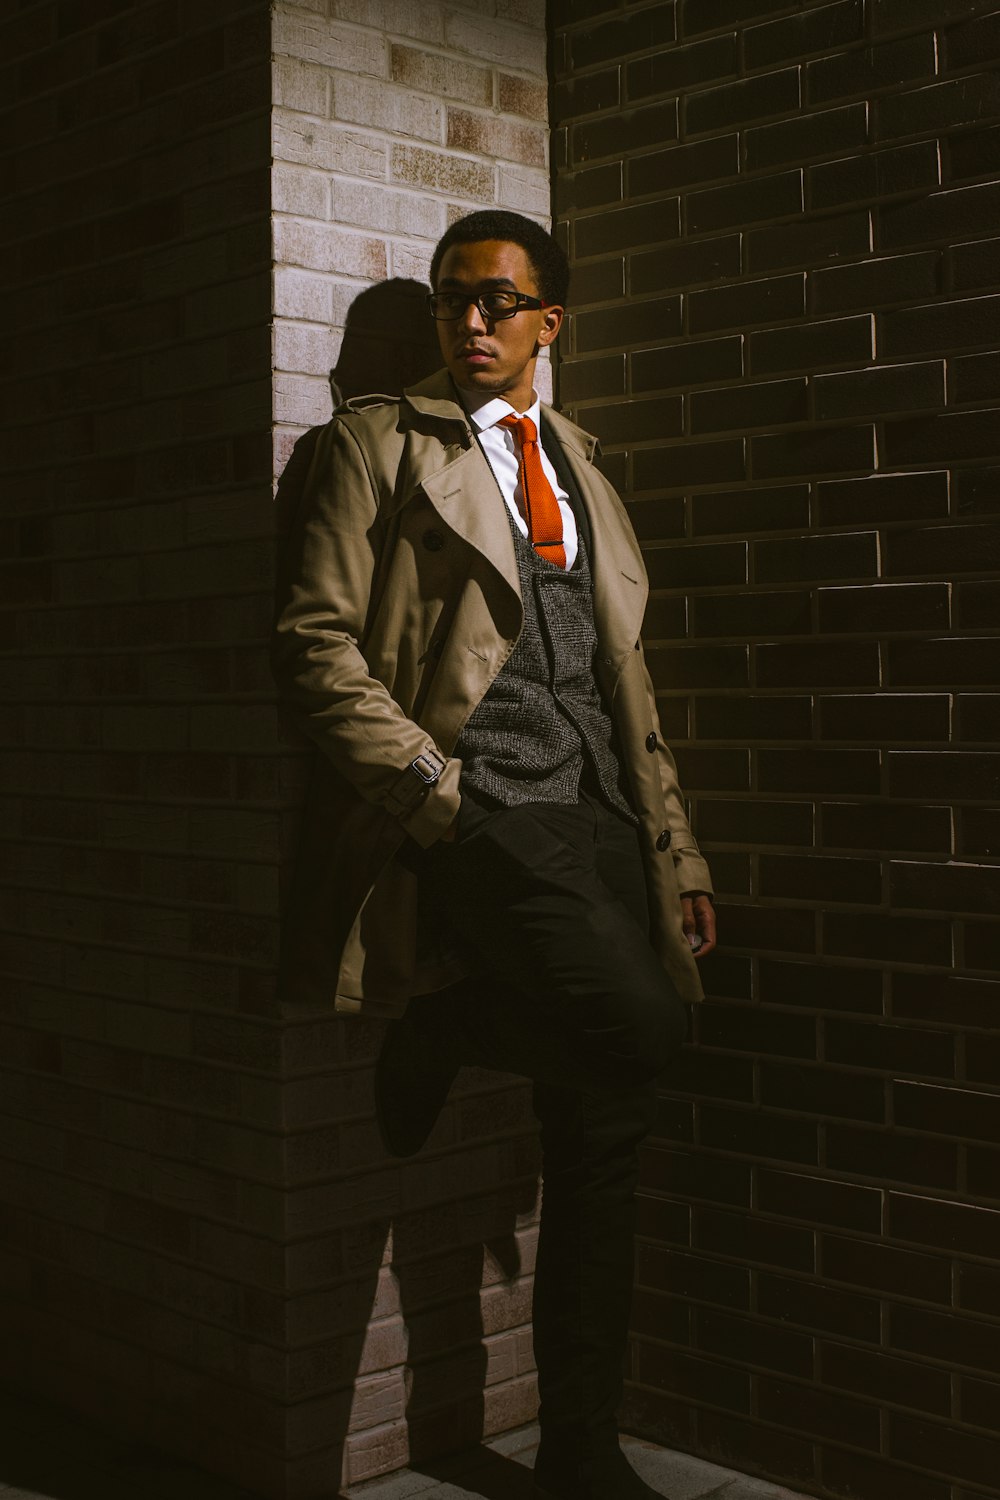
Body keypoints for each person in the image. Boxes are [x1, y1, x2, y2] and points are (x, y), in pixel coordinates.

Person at [272, 210, 716, 1500]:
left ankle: (580, 1444)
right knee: (640, 1026)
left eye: (498, 303)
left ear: (546, 323)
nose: (471, 322)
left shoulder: (580, 458)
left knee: (604, 1129)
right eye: (452, 299)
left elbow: (625, 683)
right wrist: (436, 795)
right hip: (482, 809)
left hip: (605, 820)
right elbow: (316, 646)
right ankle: (453, 1017)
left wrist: (678, 856)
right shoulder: (372, 445)